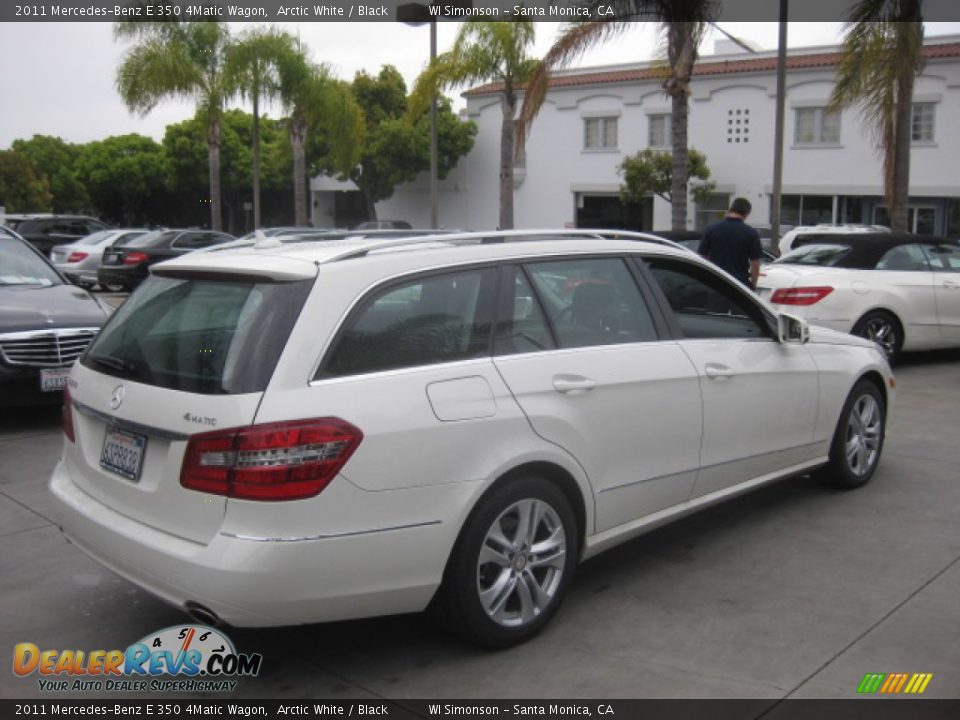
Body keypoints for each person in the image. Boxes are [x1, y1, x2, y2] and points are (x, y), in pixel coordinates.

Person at [698, 197, 762, 290]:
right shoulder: (751, 233)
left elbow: (702, 257)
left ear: (730, 209)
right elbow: (755, 264)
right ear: (747, 213)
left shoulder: (711, 229)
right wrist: (753, 285)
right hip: (739, 285)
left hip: (715, 283)